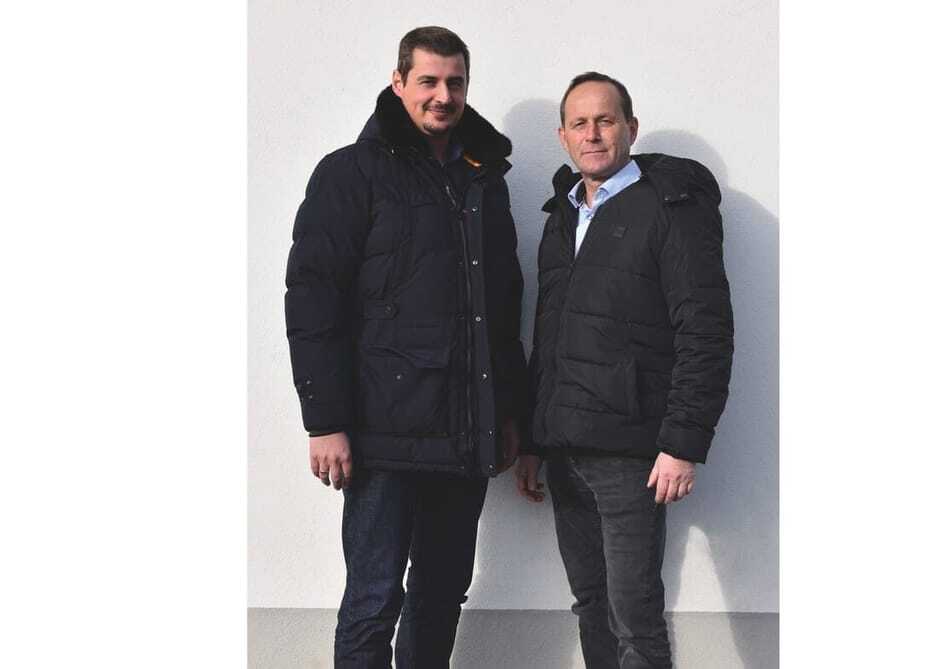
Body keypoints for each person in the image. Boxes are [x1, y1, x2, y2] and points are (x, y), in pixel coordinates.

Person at [284, 26, 528, 668]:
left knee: (441, 594)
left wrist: (509, 413)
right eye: (428, 81)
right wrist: (325, 422)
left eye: (455, 82)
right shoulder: (350, 172)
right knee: (373, 598)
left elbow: (502, 306)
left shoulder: (485, 179)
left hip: (466, 431)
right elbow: (312, 301)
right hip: (380, 435)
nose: (443, 96)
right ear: (399, 83)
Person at [517, 72, 734, 668]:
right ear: (563, 136)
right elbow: (548, 334)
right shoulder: (563, 215)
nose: (592, 134)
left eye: (605, 120)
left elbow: (705, 329)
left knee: (634, 616)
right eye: (579, 123)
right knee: (591, 605)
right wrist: (533, 440)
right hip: (565, 450)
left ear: (630, 128)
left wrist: (682, 443)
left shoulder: (670, 208)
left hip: (630, 454)